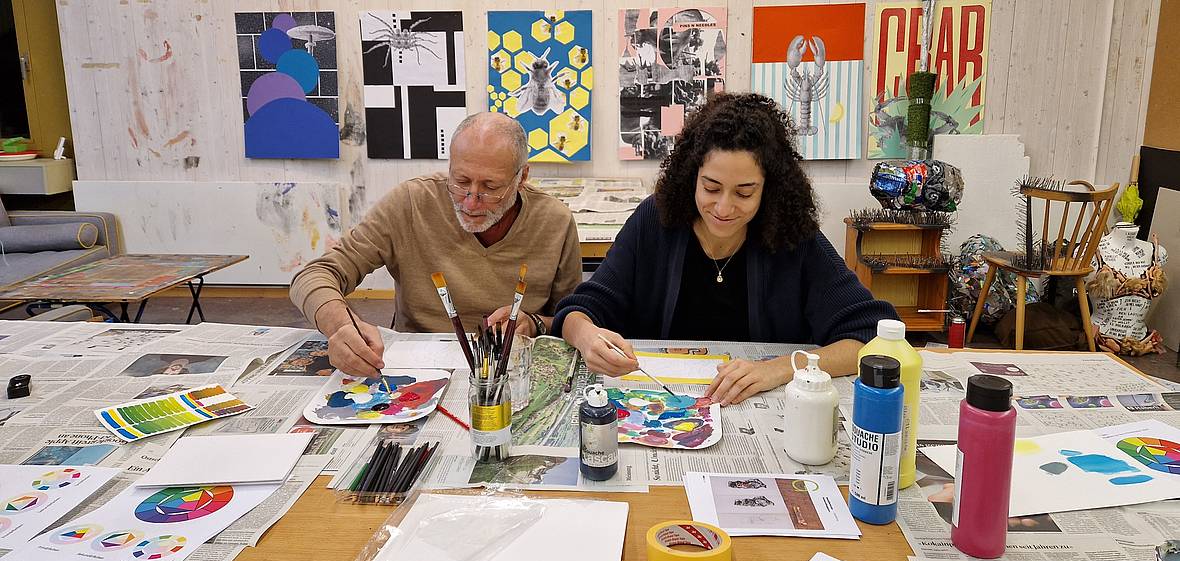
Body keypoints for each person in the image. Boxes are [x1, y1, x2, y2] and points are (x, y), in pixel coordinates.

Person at [553, 93, 896, 405]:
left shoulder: (792, 235)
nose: (723, 208)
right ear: (692, 175)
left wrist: (779, 368)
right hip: (661, 404)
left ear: (769, 189)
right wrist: (587, 337)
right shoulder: (655, 221)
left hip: (760, 409)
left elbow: (872, 336)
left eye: (744, 192)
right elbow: (579, 311)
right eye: (711, 187)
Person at [290, 112, 583, 378]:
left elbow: (572, 318)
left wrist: (534, 323)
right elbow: (314, 275)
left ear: (522, 178)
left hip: (514, 371)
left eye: (491, 187)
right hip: (417, 368)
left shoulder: (554, 221)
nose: (471, 201)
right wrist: (340, 326)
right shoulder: (412, 203)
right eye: (461, 181)